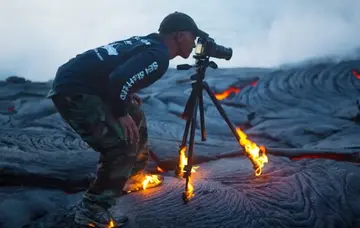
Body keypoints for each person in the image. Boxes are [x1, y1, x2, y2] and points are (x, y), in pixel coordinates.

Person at [47, 11, 207, 227]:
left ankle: (132, 176)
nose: (195, 42)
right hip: (74, 90)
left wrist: (126, 97)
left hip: (83, 82)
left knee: (136, 115)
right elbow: (118, 78)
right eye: (192, 36)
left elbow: (116, 70)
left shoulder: (149, 43)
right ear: (179, 36)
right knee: (120, 145)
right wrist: (120, 112)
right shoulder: (158, 56)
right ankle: (93, 208)